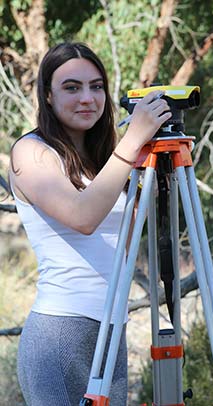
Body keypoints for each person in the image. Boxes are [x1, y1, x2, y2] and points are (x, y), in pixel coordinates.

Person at [9, 42, 171, 406]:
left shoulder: (103, 157)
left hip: (113, 329)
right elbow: (83, 218)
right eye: (71, 87)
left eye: (96, 86)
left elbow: (122, 244)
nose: (87, 98)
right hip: (60, 336)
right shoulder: (31, 152)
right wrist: (133, 141)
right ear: (47, 96)